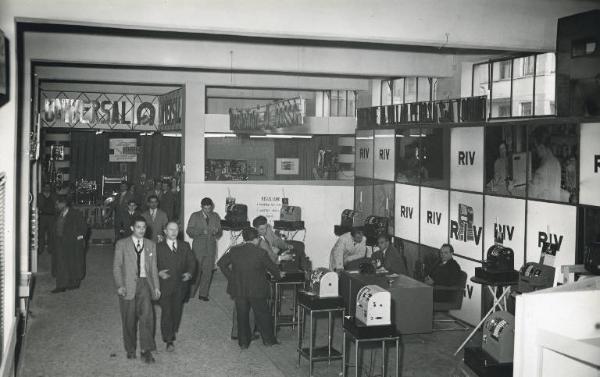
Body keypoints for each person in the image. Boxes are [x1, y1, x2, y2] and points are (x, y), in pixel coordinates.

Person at [217, 227, 282, 349]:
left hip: (239, 289)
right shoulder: (260, 253)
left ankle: (243, 343)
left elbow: (221, 263)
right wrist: (279, 275)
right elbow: (272, 267)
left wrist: (232, 277)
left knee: (242, 315)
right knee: (263, 314)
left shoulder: (234, 250)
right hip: (257, 290)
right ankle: (268, 340)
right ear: (256, 239)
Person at [113, 216, 161, 363]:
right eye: (138, 227)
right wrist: (120, 285)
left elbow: (153, 268)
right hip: (128, 285)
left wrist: (157, 287)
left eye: (144, 227)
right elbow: (117, 266)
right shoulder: (122, 244)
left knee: (147, 318)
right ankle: (130, 348)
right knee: (129, 319)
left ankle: (145, 349)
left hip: (145, 284)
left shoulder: (150, 244)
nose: (141, 230)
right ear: (132, 228)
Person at [156, 222, 196, 352]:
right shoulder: (158, 247)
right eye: (170, 229)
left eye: (176, 229)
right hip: (165, 285)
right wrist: (158, 272)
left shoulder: (185, 246)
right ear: (165, 231)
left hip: (180, 285)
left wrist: (189, 273)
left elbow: (192, 261)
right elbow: (150, 265)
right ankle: (168, 339)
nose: (173, 232)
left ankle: (172, 330)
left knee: (176, 311)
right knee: (167, 312)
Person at [186, 197, 222, 301]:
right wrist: (201, 231)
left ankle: (203, 294)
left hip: (210, 248)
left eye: (209, 208)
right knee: (195, 271)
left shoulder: (215, 216)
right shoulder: (195, 215)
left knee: (207, 272)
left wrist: (217, 232)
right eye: (205, 208)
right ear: (201, 207)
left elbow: (220, 232)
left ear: (212, 207)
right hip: (198, 248)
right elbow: (189, 231)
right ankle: (190, 293)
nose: (207, 210)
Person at [50, 195, 87, 293]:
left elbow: (84, 228)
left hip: (72, 243)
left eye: (58, 203)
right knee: (61, 263)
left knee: (73, 263)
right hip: (59, 242)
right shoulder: (58, 214)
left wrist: (78, 239)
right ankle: (61, 285)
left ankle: (74, 282)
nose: (56, 205)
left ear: (64, 204)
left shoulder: (76, 214)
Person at [528, 127, 562, 201]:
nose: (534, 150)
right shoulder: (557, 162)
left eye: (535, 146)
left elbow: (530, 197)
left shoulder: (541, 170)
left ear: (541, 147)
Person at [37, 182, 56, 254]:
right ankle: (40, 249)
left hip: (51, 217)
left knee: (51, 234)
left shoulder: (54, 195)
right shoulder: (40, 196)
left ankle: (50, 249)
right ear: (43, 188)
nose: (47, 188)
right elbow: (38, 205)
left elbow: (56, 205)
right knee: (41, 234)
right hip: (42, 217)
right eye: (46, 187)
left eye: (48, 187)